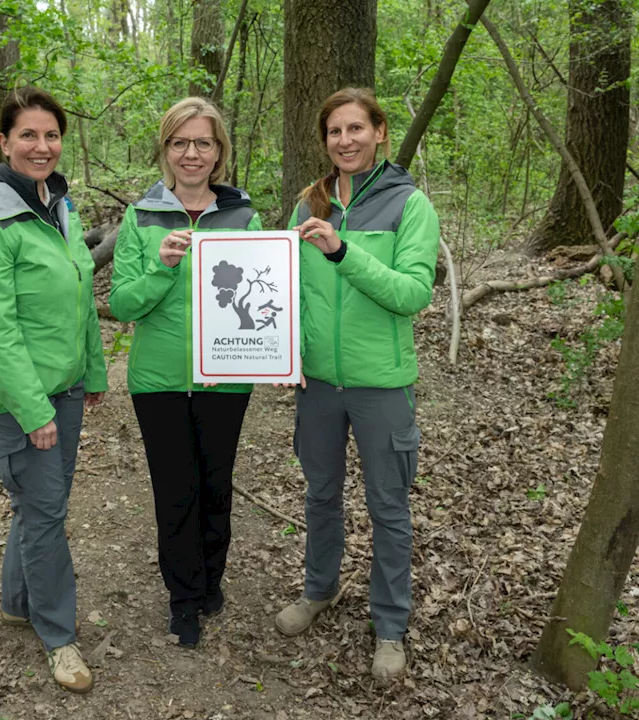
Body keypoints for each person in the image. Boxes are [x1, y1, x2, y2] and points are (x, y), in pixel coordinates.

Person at [274, 88, 439, 682]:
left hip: (382, 386)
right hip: (317, 384)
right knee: (320, 494)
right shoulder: (308, 203)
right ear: (324, 140)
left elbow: (413, 293)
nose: (344, 141)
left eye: (355, 129)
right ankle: (319, 590)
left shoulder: (410, 204)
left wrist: (344, 251)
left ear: (380, 132)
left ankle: (390, 624)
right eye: (334, 132)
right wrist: (282, 354)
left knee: (388, 506)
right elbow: (285, 291)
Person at [0, 87, 107, 694]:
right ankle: (59, 636)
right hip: (19, 403)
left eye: (51, 135)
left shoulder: (57, 206)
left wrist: (92, 372)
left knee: (39, 507)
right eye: (29, 136)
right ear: (4, 142)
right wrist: (33, 409)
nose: (42, 147)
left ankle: (17, 601)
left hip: (63, 391)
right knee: (46, 514)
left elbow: (79, 300)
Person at [108, 97, 262, 648]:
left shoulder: (245, 216)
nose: (191, 153)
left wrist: (281, 356)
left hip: (228, 376)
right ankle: (183, 598)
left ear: (219, 151)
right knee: (175, 490)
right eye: (180, 143)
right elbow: (123, 304)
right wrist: (161, 266)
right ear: (165, 150)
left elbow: (266, 294)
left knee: (216, 483)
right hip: (160, 382)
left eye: (203, 143)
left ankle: (212, 578)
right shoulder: (140, 216)